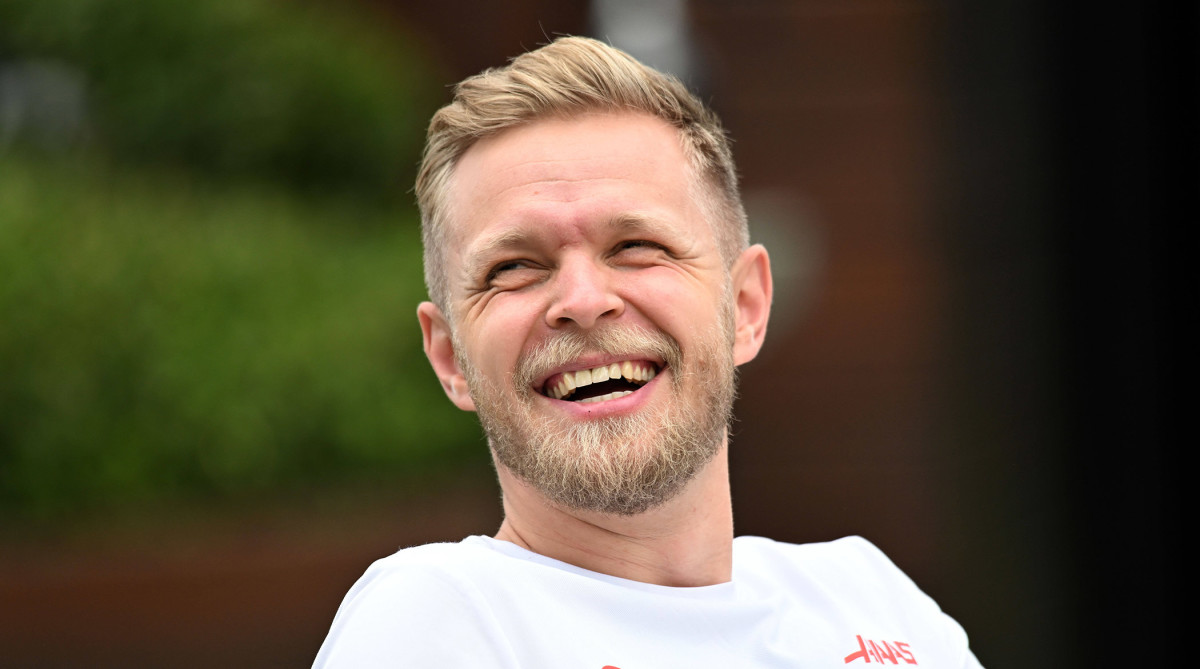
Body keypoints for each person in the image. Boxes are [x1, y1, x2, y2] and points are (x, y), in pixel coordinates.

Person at [314, 36, 983, 668]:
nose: (581, 298)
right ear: (451, 357)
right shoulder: (439, 620)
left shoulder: (873, 602)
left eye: (636, 246)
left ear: (745, 306)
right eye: (515, 266)